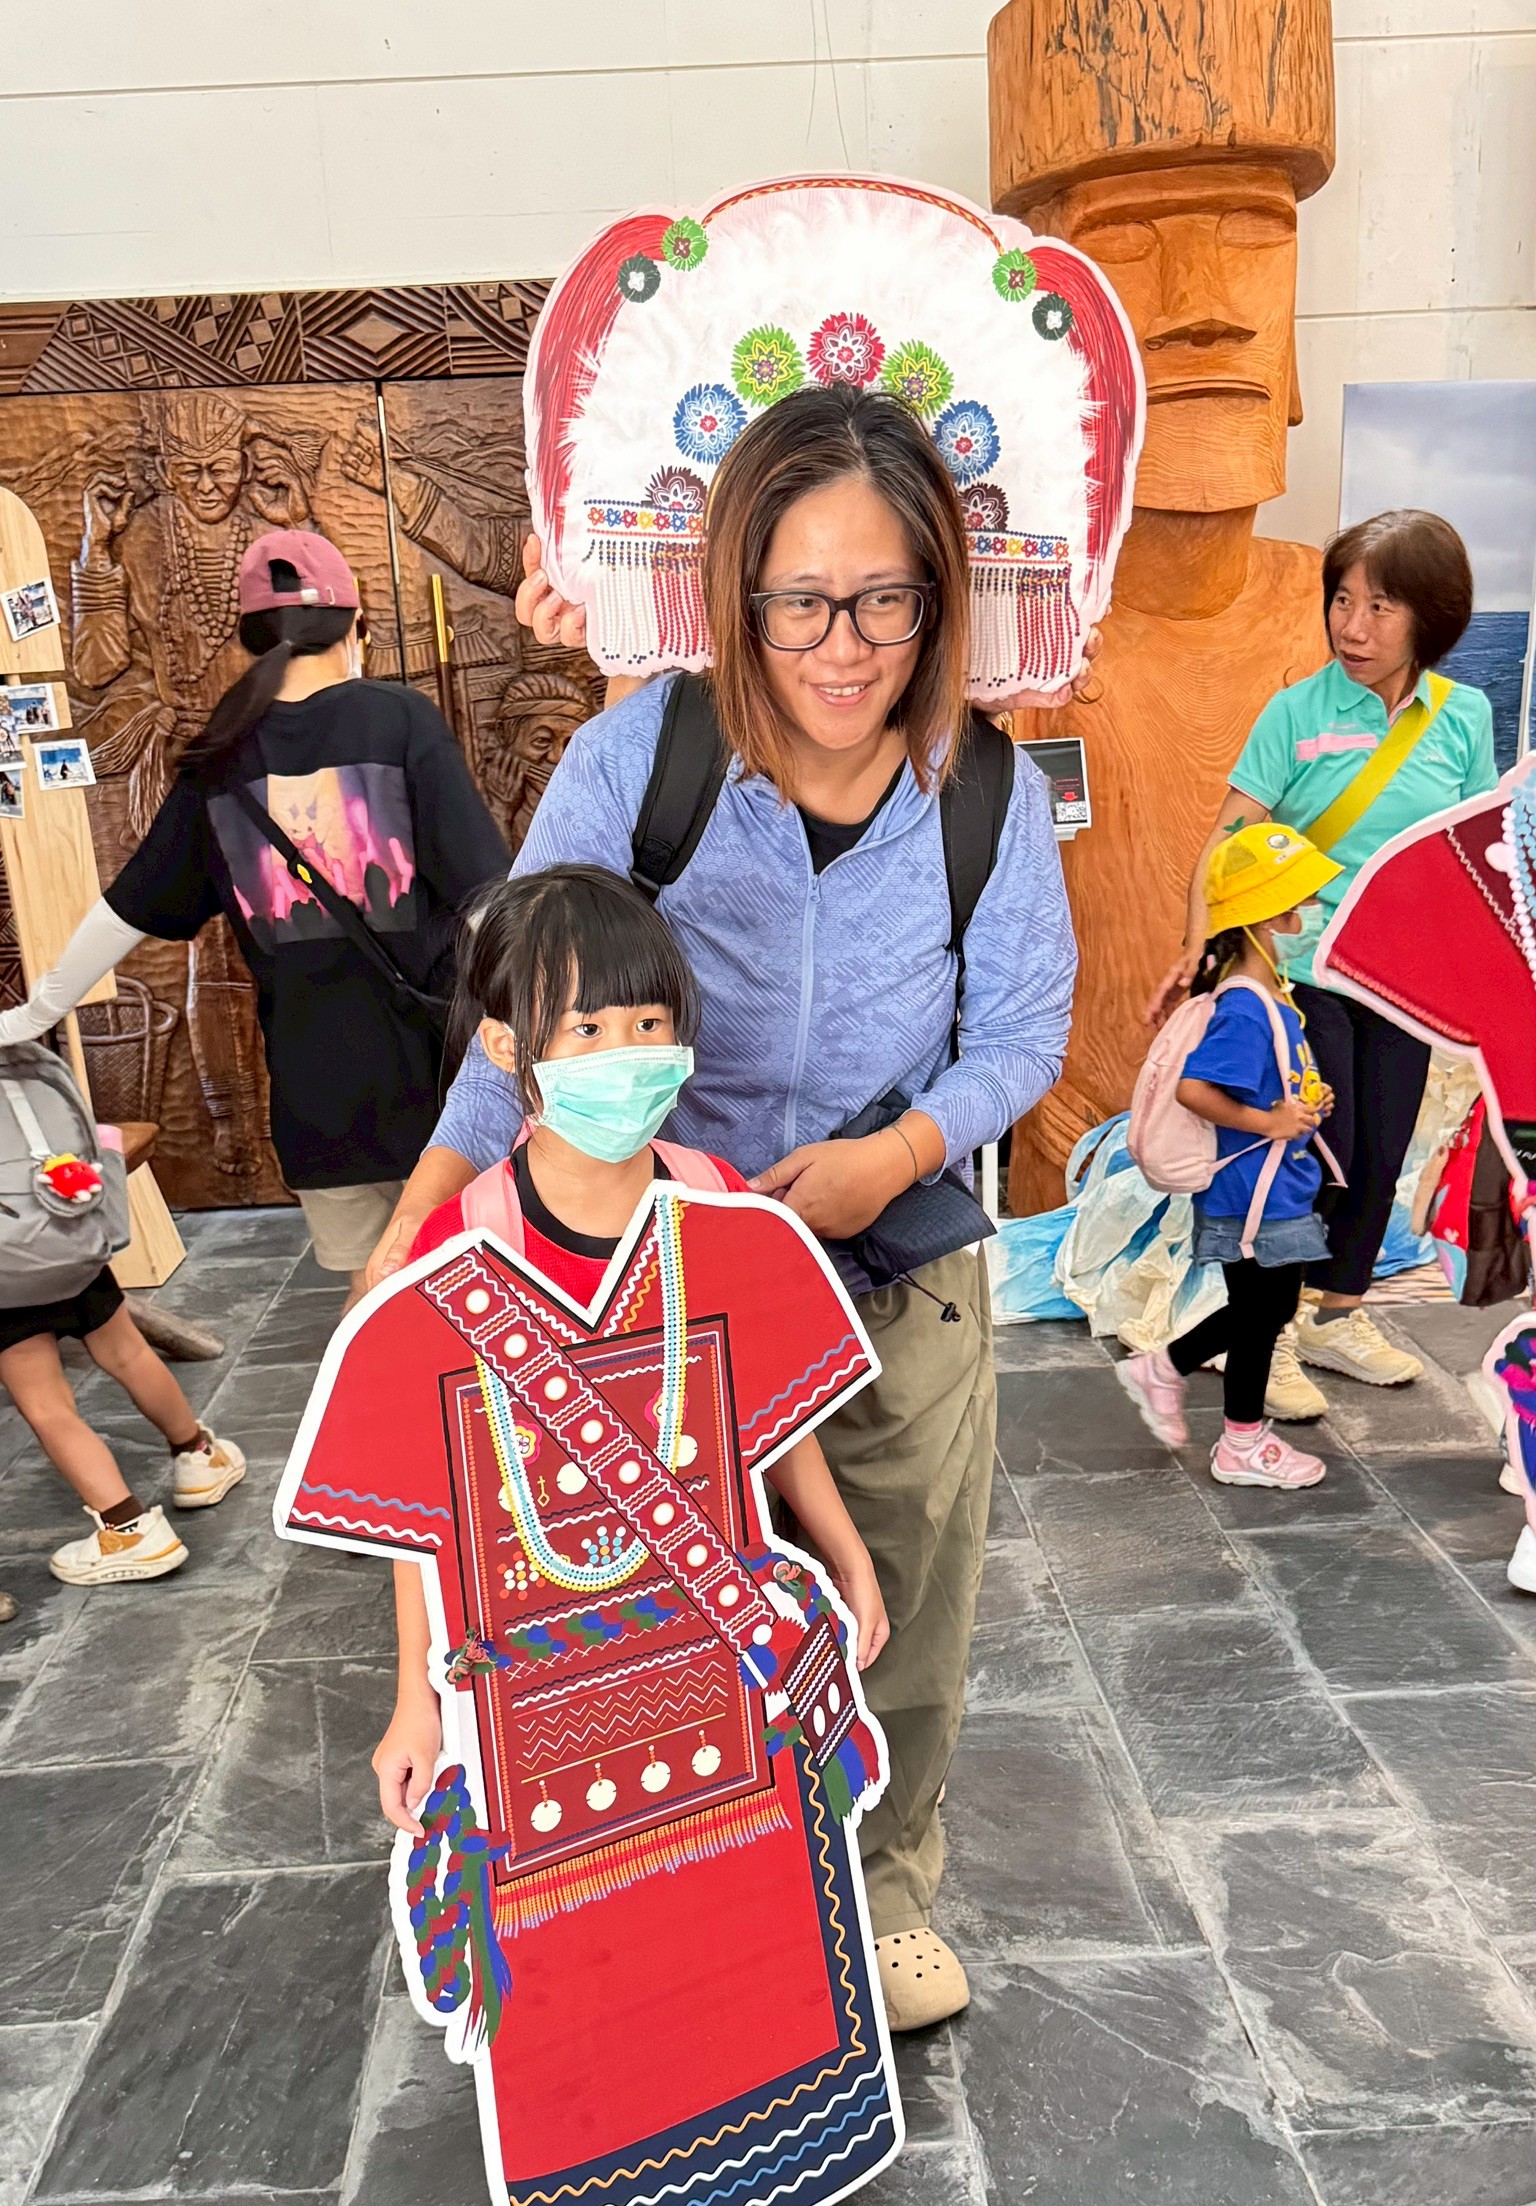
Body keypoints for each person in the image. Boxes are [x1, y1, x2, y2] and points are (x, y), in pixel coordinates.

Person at [365, 383, 1079, 2032]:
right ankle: (693, 1898)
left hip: (889, 1266)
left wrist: (896, 1156)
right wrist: (425, 1215)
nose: (844, 647)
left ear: (938, 598)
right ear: (737, 593)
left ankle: (884, 1890)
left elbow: (1023, 1035)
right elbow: (524, 1014)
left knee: (899, 1585)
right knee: (659, 1604)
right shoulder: (644, 762)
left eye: (887, 600)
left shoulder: (986, 791)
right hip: (647, 1279)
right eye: (800, 602)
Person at [374, 861, 889, 1829]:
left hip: (715, 1627)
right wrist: (418, 1695)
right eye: (587, 1029)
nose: (627, 1053)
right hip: (541, 1654)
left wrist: (844, 1551)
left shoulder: (719, 1202)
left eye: (650, 1022)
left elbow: (768, 1410)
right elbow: (426, 1501)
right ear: (504, 1045)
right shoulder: (460, 1246)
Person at [0, 529, 511, 1303]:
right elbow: (490, 901)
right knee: (476, 1286)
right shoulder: (400, 720)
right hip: (440, 1077)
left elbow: (126, 909)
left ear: (251, 636)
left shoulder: (220, 757)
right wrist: (538, 1022)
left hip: (318, 1093)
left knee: (370, 1295)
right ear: (358, 623)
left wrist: (36, 1012)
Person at [1151, 510, 1499, 1417]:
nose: (1353, 626)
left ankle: (1335, 1317)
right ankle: (1266, 1335)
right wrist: (1200, 950)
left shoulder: (1463, 716)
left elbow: (1472, 854)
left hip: (1403, 979)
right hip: (1301, 969)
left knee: (1379, 1153)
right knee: (1312, 1152)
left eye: (1380, 606)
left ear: (1430, 615)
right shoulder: (1296, 712)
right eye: (1342, 601)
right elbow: (1228, 840)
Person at [1120, 825, 1336, 1490]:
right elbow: (1194, 1089)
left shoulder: (1266, 997)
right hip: (1254, 1191)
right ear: (1269, 918)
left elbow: (1262, 1082)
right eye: (1301, 904)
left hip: (1269, 1185)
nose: (1310, 915)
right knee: (1262, 1314)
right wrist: (1270, 1122)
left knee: (1264, 1309)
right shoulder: (1244, 1006)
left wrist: (1302, 1101)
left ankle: (1162, 1370)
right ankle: (1240, 1442)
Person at [0, 1265, 243, 1586]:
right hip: (61, 1251)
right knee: (129, 1354)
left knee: (46, 1405)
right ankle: (200, 1456)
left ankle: (128, 1529)